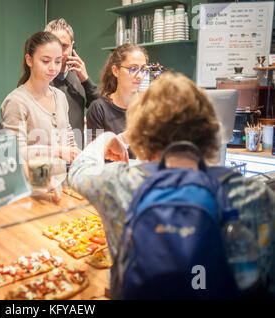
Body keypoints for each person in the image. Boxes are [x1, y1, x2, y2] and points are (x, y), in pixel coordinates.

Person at [68, 72, 275, 299]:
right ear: (210, 131)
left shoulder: (120, 184)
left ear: (139, 135)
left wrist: (106, 138)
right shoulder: (255, 196)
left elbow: (79, 170)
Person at [1, 31, 80, 165]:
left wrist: (79, 154)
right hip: (34, 184)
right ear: (29, 60)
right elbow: (14, 153)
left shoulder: (60, 97)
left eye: (58, 61)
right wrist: (58, 151)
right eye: (45, 61)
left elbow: (69, 138)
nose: (53, 67)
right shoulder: (17, 101)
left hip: (61, 183)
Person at [45, 18, 100, 148]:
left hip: (76, 156)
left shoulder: (79, 78)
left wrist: (86, 81)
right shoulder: (37, 81)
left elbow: (101, 110)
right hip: (48, 158)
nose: (59, 52)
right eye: (54, 44)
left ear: (72, 46)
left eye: (64, 46)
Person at [86, 44, 148, 154]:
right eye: (133, 69)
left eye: (143, 69)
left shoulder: (148, 107)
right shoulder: (99, 109)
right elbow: (94, 155)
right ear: (115, 71)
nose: (140, 76)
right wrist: (122, 139)